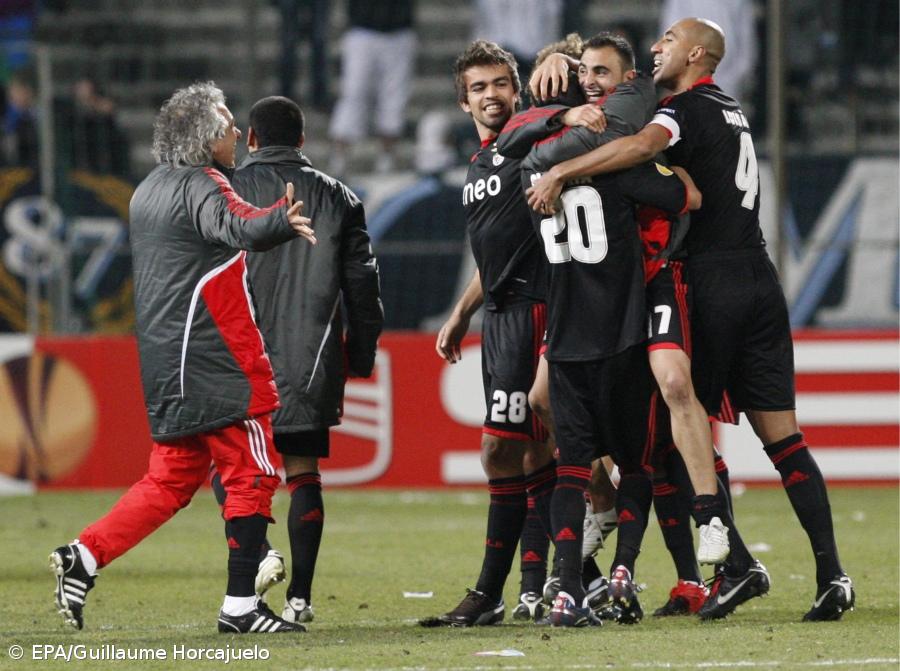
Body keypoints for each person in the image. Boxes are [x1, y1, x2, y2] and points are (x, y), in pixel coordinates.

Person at [525, 18, 855, 622]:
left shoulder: (682, 107)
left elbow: (638, 141)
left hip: (703, 279)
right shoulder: (729, 108)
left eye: (669, 39)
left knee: (680, 416)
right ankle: (830, 574)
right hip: (758, 275)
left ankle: (725, 556)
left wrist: (559, 168)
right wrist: (572, 82)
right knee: (780, 437)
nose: (658, 47)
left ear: (697, 53)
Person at [48, 81, 315, 634]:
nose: (236, 131)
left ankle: (86, 555)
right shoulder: (203, 183)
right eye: (224, 124)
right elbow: (237, 224)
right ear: (201, 138)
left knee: (168, 480)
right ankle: (240, 606)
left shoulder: (146, 190)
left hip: (166, 364)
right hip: (218, 359)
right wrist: (279, 220)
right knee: (252, 473)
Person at [513, 77, 702, 626]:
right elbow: (688, 195)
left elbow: (516, 143)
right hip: (623, 334)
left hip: (565, 337)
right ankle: (622, 571)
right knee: (636, 462)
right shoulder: (622, 171)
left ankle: (567, 590)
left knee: (571, 467)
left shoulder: (531, 172)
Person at [212, 95, 384, 626]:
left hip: (236, 360)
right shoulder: (339, 197)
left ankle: (260, 554)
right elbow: (363, 283)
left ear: (252, 138)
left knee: (235, 466)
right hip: (312, 356)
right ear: (303, 142)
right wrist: (362, 351)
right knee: (303, 470)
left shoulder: (223, 192)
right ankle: (301, 598)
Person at [419, 40, 564, 628]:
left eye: (500, 83)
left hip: (540, 308)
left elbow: (573, 114)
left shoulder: (533, 140)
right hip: (500, 315)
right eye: (478, 88)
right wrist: (461, 311)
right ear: (463, 102)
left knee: (522, 446)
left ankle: (513, 586)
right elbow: (495, 254)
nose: (490, 95)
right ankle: (528, 585)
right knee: (520, 448)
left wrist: (571, 92)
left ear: (517, 88)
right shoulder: (479, 166)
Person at [328, 0, 416, 175]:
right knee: (354, 92)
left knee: (394, 97)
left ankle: (387, 158)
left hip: (398, 29)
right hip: (363, 28)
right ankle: (339, 157)